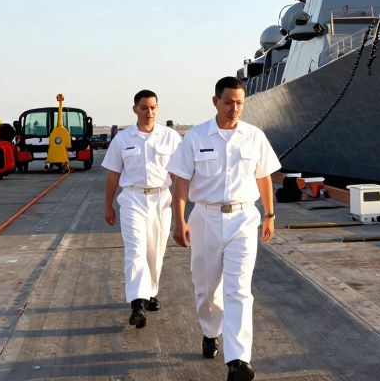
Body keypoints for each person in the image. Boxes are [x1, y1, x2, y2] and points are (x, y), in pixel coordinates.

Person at [168, 77, 280, 381]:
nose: (234, 108)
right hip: (205, 218)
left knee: (239, 289)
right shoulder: (196, 137)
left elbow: (264, 177)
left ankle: (238, 360)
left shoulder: (254, 137)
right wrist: (179, 221)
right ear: (215, 101)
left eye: (240, 103)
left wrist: (269, 214)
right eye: (229, 102)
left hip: (244, 219)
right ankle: (210, 330)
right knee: (206, 289)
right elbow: (180, 181)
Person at [101, 89, 183, 329]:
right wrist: (108, 205)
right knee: (135, 250)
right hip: (133, 200)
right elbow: (113, 174)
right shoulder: (122, 140)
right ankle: (137, 303)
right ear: (135, 108)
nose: (149, 112)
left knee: (155, 251)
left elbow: (180, 175)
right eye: (144, 107)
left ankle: (150, 292)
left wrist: (181, 209)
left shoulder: (170, 138)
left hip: (161, 200)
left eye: (153, 108)